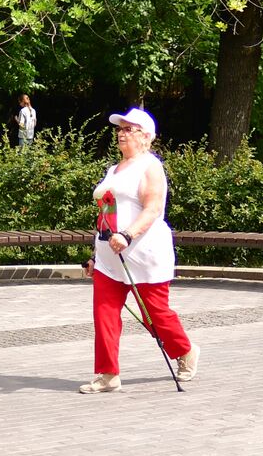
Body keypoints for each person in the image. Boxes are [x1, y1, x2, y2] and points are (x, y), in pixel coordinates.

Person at [80, 107, 200, 393]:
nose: (121, 134)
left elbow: (153, 208)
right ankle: (108, 373)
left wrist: (128, 234)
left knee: (154, 314)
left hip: (143, 253)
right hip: (110, 257)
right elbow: (108, 211)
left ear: (146, 137)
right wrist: (96, 254)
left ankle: (185, 351)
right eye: (120, 129)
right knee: (104, 312)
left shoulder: (150, 166)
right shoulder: (114, 169)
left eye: (129, 129)